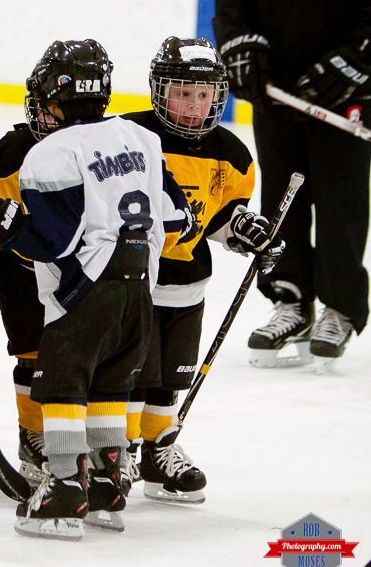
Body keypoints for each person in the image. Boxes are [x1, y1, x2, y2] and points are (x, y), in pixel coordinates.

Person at [0, 39, 192, 540]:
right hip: (139, 288)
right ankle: (108, 487)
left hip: (85, 287)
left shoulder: (53, 152)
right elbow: (179, 218)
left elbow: (51, 241)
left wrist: (1, 218)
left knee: (63, 385)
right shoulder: (142, 138)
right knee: (110, 383)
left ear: (55, 96)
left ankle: (64, 489)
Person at [120, 36, 283, 505]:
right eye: (182, 93)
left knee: (171, 374)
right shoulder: (130, 136)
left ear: (219, 96)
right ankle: (120, 448)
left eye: (204, 95)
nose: (194, 106)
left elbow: (216, 218)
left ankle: (158, 447)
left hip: (188, 282)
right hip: (133, 279)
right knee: (130, 372)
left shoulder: (231, 152)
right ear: (159, 90)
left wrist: (244, 229)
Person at [214, 0, 371, 371]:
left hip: (345, 92)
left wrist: (356, 61)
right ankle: (290, 300)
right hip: (275, 90)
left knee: (342, 200)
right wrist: (238, 46)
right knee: (282, 196)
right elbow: (229, 3)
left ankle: (339, 308)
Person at [0, 64, 61, 485]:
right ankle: (33, 434)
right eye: (44, 107)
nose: (52, 115)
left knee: (72, 355)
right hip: (20, 267)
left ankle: (70, 434)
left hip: (74, 268)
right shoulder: (13, 148)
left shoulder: (91, 144)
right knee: (32, 353)